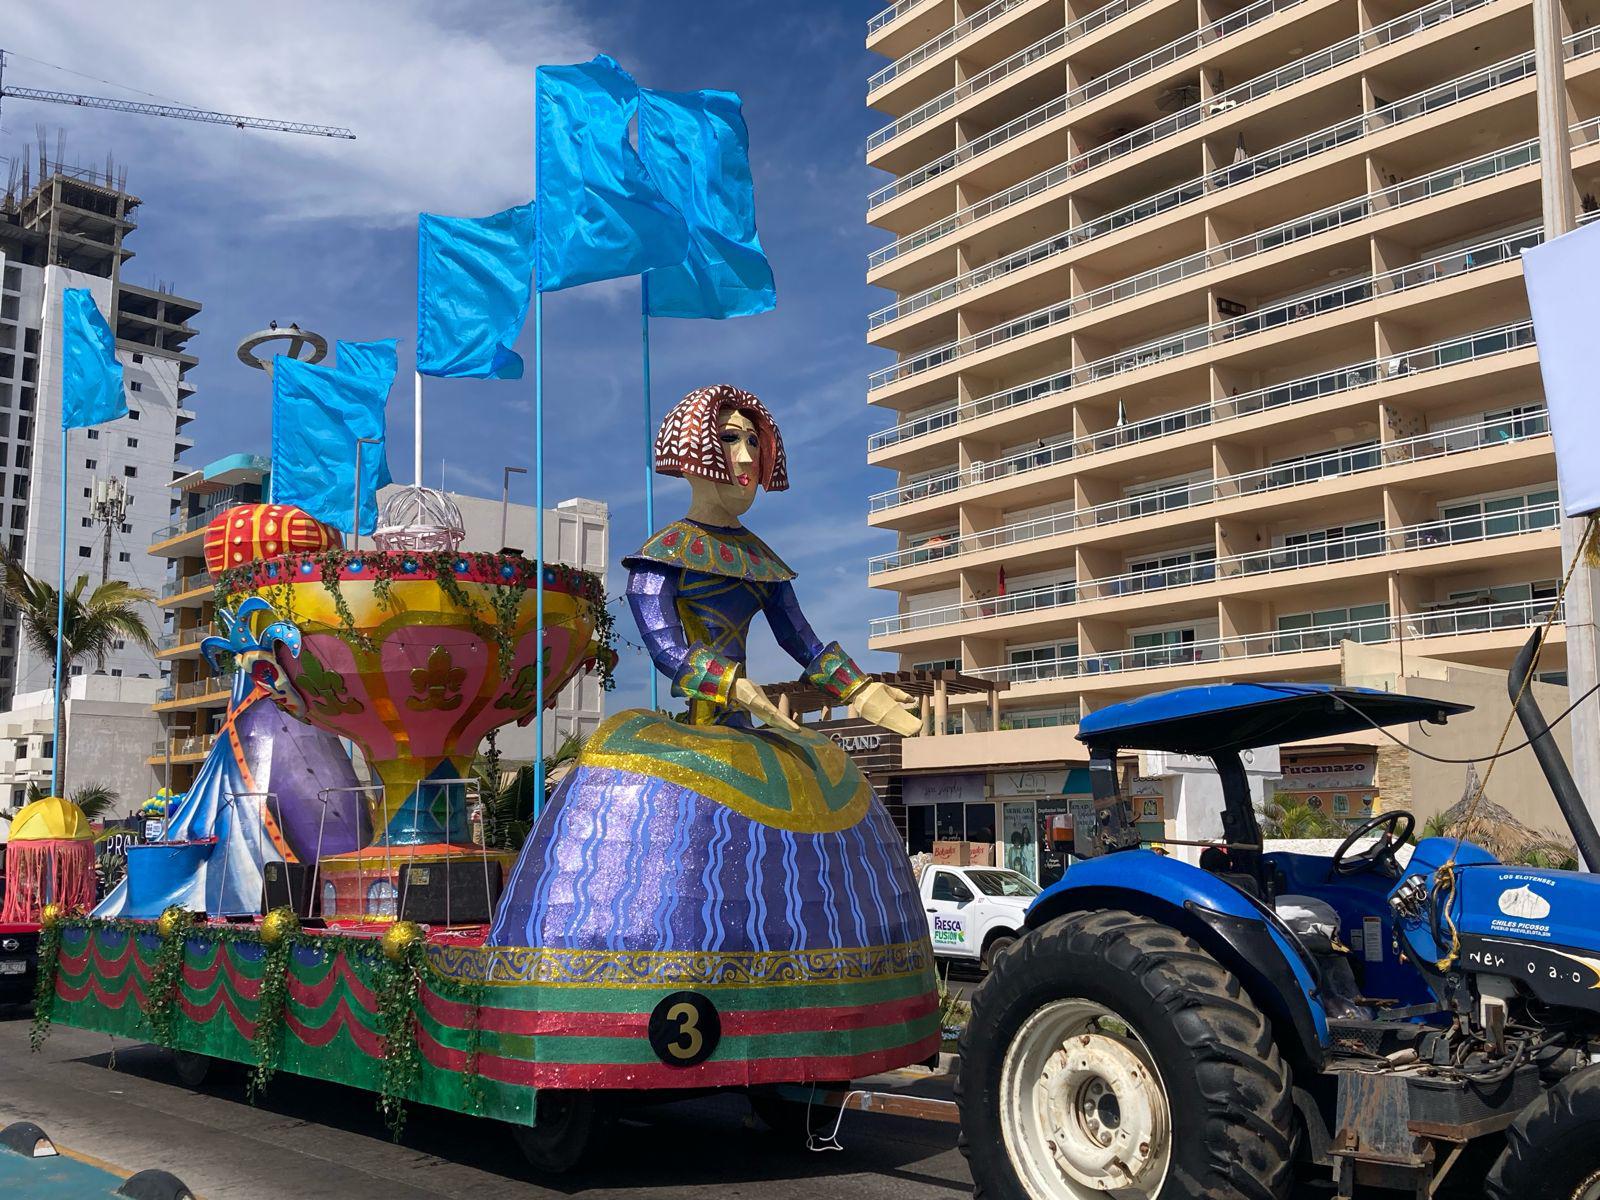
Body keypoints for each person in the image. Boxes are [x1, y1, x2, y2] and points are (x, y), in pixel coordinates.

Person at [484, 386, 941, 1082]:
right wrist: (731, 684)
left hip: (751, 732)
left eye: (755, 441)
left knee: (830, 780)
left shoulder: (760, 561)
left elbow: (804, 641)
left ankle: (822, 1005)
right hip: (694, 725)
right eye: (731, 439)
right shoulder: (664, 555)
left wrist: (865, 691)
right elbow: (665, 642)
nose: (747, 456)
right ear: (694, 452)